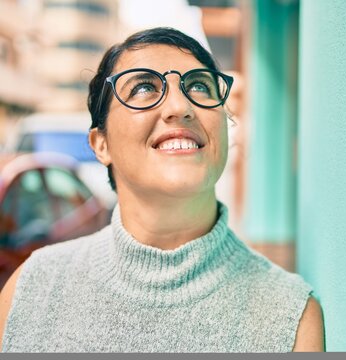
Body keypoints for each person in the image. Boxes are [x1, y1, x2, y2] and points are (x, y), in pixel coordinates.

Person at [0, 27, 324, 352]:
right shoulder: (31, 290)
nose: (180, 107)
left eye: (198, 85)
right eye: (143, 88)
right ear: (101, 145)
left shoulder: (291, 317)